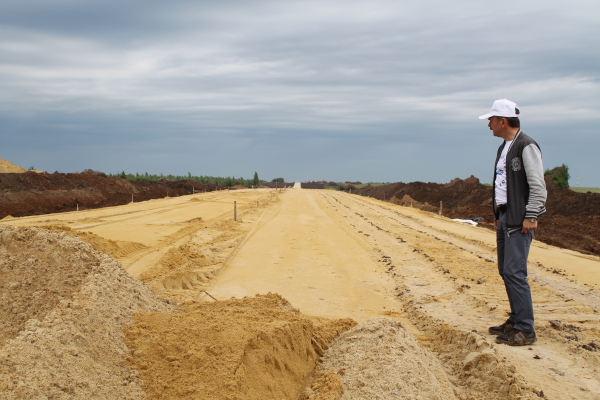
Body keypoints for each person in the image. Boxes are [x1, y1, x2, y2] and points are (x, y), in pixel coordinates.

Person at [479, 99, 547, 346]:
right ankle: (516, 320)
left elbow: (538, 187)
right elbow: (503, 186)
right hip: (505, 217)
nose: (489, 124)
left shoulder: (525, 146)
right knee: (505, 270)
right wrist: (499, 216)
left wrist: (531, 216)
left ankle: (525, 329)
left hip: (520, 218)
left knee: (514, 272)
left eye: (491, 119)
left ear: (503, 121)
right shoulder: (504, 147)